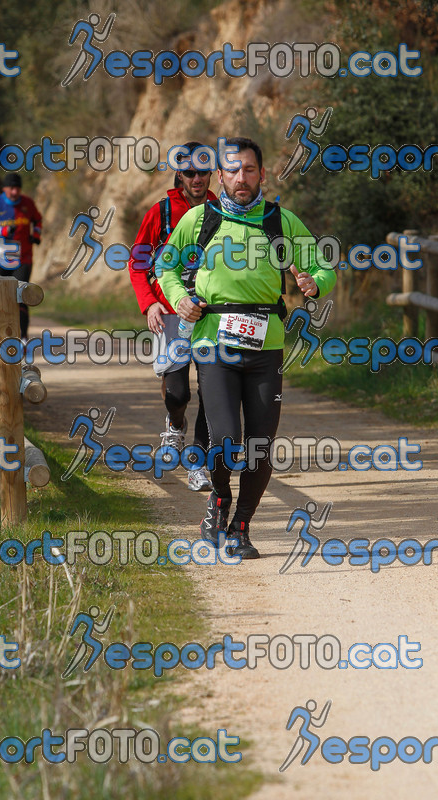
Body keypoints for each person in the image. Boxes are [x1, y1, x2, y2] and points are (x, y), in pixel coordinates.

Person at [157, 136, 337, 557]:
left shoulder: (281, 221)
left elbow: (321, 265)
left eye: (250, 170)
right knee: (225, 440)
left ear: (262, 174)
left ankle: (241, 528)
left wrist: (314, 283)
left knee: (259, 444)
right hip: (214, 345)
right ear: (220, 175)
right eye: (233, 170)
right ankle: (218, 500)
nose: (242, 178)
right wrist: (178, 299)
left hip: (266, 347)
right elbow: (164, 264)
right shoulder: (201, 219)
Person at [128, 141, 218, 491]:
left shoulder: (223, 209)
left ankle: (198, 463)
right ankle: (175, 426)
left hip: (212, 314)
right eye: (190, 172)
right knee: (178, 393)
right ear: (179, 173)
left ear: (213, 174)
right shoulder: (161, 211)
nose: (197, 178)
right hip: (170, 312)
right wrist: (149, 302)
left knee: (213, 391)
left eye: (203, 171)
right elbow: (138, 263)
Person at [0, 173, 42, 340]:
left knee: (21, 296)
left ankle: (23, 338)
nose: (14, 192)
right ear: (4, 188)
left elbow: (38, 220)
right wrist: (1, 231)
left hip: (23, 259)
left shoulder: (28, 203)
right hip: (1, 260)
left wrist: (36, 234)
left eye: (17, 188)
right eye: (11, 188)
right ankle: (1, 336)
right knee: (0, 298)